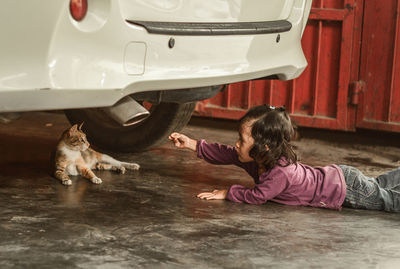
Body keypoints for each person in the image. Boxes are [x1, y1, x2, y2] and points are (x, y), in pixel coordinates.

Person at [169, 105, 400, 212]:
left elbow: (258, 196)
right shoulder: (259, 157)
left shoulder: (279, 172)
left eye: (242, 139)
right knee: (379, 186)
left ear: (263, 146)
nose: (237, 144)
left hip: (344, 189)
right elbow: (225, 153)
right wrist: (192, 144)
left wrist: (229, 192)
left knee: (388, 201)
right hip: (341, 177)